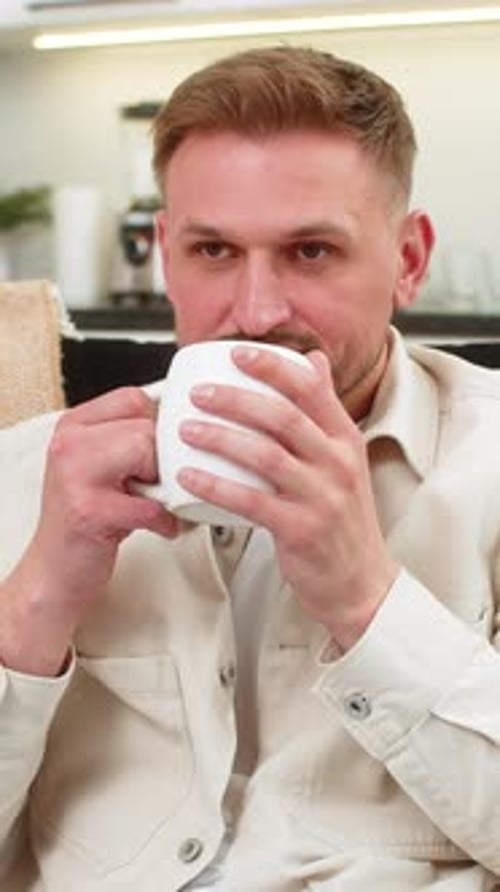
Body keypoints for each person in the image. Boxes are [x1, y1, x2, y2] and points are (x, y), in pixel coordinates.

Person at [1, 44, 500, 892]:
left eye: (311, 252)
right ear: (166, 254)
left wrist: (367, 598)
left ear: (409, 259)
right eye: (214, 252)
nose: (257, 312)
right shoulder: (33, 466)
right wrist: (39, 598)